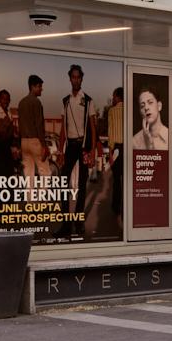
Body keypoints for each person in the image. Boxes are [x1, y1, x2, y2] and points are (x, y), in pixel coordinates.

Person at [60, 64, 97, 233]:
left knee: (82, 184)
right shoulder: (66, 100)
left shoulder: (88, 100)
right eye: (73, 77)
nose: (75, 80)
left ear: (81, 79)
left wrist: (92, 150)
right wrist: (60, 151)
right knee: (63, 182)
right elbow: (63, 128)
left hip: (83, 147)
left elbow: (93, 128)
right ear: (70, 78)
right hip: (70, 147)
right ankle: (66, 222)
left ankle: (78, 221)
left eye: (78, 77)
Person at [16, 74, 47, 195]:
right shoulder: (36, 102)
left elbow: (20, 125)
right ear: (32, 87)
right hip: (35, 141)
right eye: (39, 86)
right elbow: (39, 125)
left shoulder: (21, 103)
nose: (41, 89)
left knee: (29, 176)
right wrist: (44, 145)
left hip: (24, 141)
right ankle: (40, 201)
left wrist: (19, 144)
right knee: (45, 172)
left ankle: (31, 204)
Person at [106, 86, 125, 219]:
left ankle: (116, 207)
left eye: (113, 96)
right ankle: (128, 207)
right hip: (129, 149)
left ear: (118, 96)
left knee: (117, 180)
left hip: (117, 148)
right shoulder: (130, 111)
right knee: (128, 181)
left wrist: (110, 154)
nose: (112, 98)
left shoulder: (112, 111)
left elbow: (111, 134)